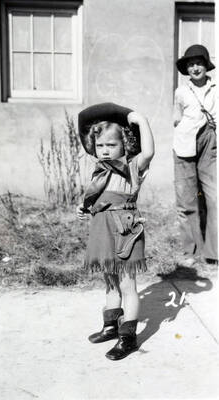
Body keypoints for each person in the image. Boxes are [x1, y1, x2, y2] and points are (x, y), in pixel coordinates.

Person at [77, 102, 154, 360]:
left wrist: (139, 119)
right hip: (102, 229)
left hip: (124, 231)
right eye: (100, 146)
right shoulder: (99, 170)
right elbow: (99, 197)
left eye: (111, 145)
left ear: (125, 146)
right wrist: (85, 207)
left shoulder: (132, 167)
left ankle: (128, 337)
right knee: (109, 281)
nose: (105, 151)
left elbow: (150, 152)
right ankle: (110, 326)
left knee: (127, 283)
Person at [173, 44, 217, 267]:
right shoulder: (181, 92)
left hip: (211, 143)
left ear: (206, 65)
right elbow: (175, 117)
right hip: (185, 144)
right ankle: (191, 252)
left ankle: (214, 252)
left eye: (199, 63)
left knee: (215, 197)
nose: (195, 68)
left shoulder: (217, 87)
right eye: (190, 64)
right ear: (186, 69)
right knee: (186, 199)